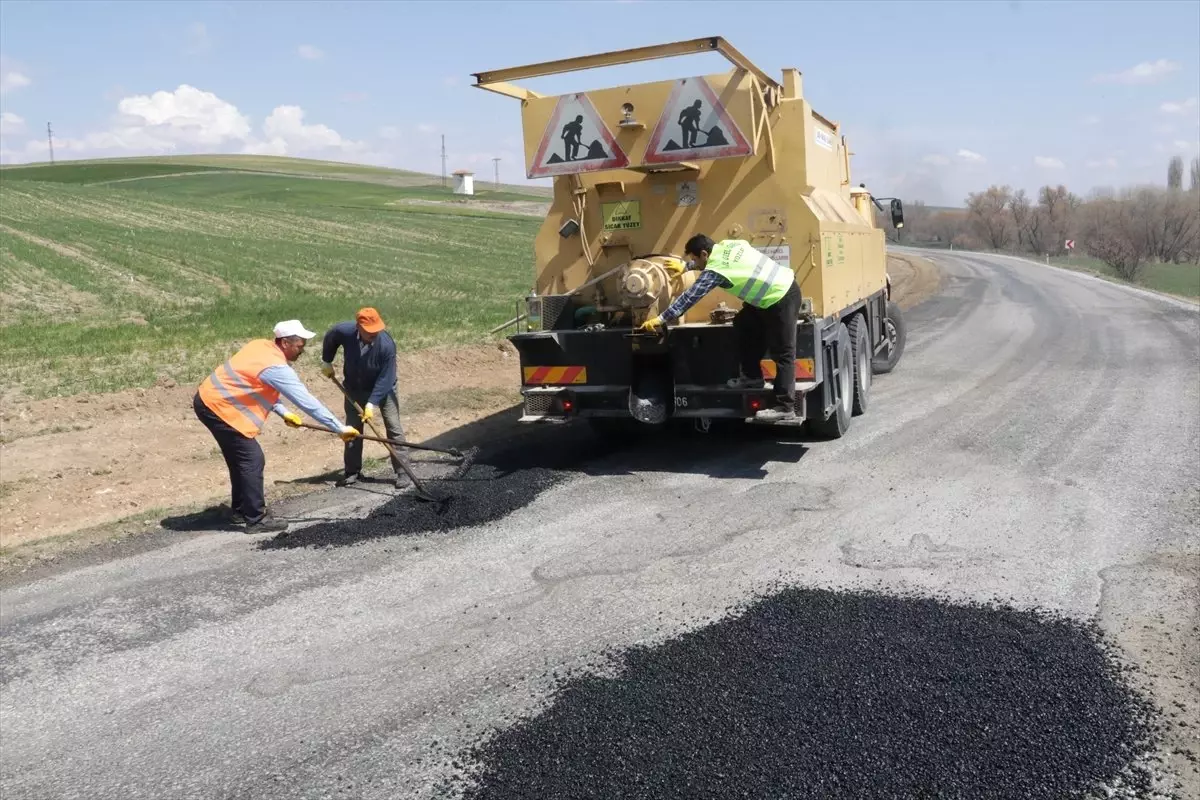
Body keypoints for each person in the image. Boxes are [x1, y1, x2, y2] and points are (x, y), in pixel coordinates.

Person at [194, 320, 360, 534]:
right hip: (218, 407)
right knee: (251, 459)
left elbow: (255, 385)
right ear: (284, 343)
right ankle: (255, 519)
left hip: (210, 400)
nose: (303, 350)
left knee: (241, 459)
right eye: (300, 346)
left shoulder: (261, 346)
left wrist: (284, 412)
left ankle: (241, 510)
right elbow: (306, 401)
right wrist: (339, 428)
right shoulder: (275, 367)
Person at [639, 234, 802, 422]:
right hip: (765, 299)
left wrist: (660, 319)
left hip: (782, 296)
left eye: (694, 259)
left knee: (784, 353)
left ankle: (784, 406)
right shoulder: (728, 245)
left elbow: (689, 297)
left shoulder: (716, 270)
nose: (694, 262)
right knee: (743, 324)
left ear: (703, 254)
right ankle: (752, 378)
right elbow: (715, 262)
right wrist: (687, 267)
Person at [321, 307, 408, 488]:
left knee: (394, 428)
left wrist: (371, 403)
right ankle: (352, 472)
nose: (374, 334)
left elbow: (387, 378)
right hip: (354, 389)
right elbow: (332, 336)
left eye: (377, 330)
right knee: (352, 430)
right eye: (370, 332)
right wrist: (327, 360)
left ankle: (402, 472)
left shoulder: (386, 345)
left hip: (384, 390)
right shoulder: (345, 331)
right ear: (358, 327)